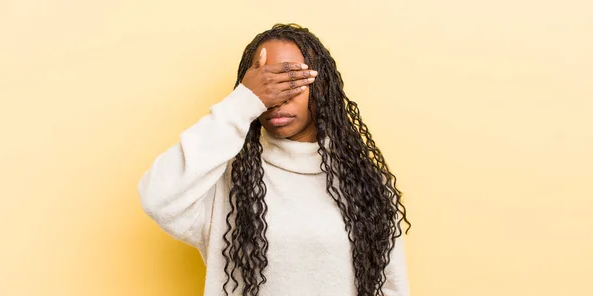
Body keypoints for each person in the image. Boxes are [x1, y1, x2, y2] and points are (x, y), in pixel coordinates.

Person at [138, 23, 411, 296]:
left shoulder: (365, 184)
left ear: (322, 87)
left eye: (289, 83)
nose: (276, 100)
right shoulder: (225, 180)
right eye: (266, 86)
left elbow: (390, 287)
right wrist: (243, 102)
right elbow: (157, 198)